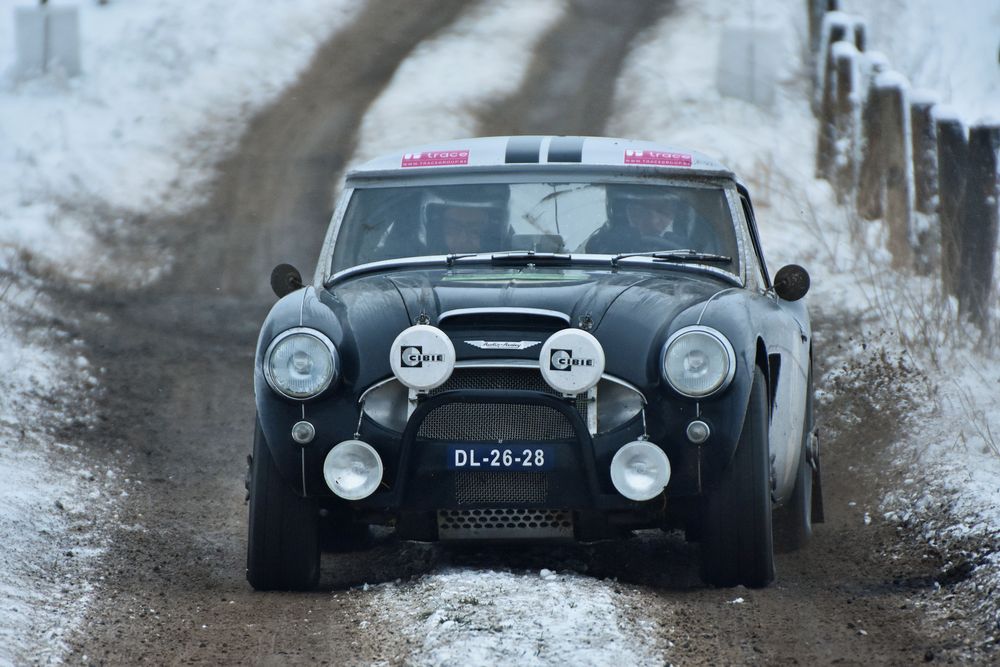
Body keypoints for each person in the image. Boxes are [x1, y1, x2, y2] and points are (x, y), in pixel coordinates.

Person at [585, 185, 692, 254]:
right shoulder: (601, 245)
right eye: (641, 211)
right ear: (622, 213)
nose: (654, 221)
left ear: (675, 213)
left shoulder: (688, 251)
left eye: (663, 211)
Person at [423, 185, 511, 254]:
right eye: (454, 229)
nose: (463, 239)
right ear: (439, 231)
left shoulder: (515, 268)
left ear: (492, 232)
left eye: (474, 231)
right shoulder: (418, 270)